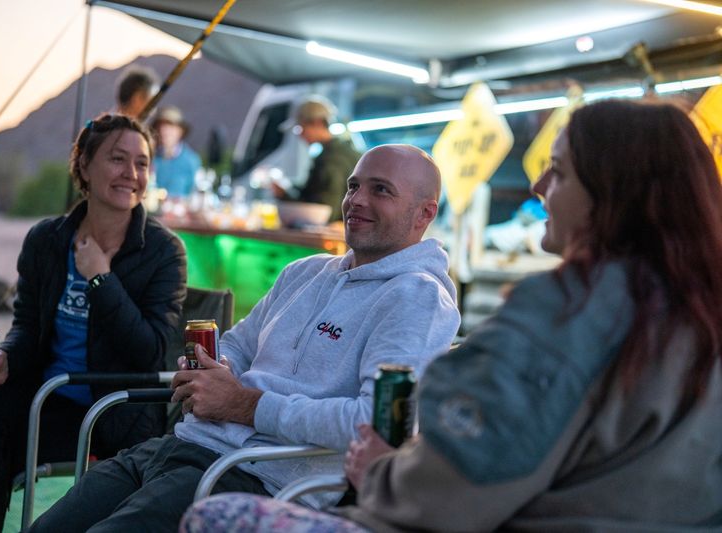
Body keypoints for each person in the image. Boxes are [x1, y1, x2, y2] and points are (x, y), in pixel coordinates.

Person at [185, 98, 722, 532]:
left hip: (285, 480)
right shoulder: (697, 316)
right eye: (354, 185)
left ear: (614, 197)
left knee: (215, 516)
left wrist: (383, 474)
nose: (536, 189)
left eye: (556, 172)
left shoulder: (561, 315)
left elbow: (454, 488)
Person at [28, 144, 461, 532]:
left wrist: (244, 404)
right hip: (183, 444)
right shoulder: (306, 272)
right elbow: (237, 344)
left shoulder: (417, 298)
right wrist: (214, 373)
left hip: (255, 476)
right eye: (353, 185)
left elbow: (373, 426)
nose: (356, 200)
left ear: (424, 213)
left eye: (381, 190)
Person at [0, 114, 187, 533]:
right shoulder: (48, 239)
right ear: (83, 165)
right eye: (118, 159)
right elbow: (27, 323)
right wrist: (7, 358)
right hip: (46, 392)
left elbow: (150, 349)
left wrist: (101, 278)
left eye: (141, 163)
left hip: (110, 412)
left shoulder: (163, 251)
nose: (131, 174)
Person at [273, 95, 361, 223]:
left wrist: (284, 196)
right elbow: (315, 192)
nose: (300, 135)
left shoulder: (333, 158)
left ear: (317, 122)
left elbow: (325, 211)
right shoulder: (340, 151)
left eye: (300, 128)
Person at [152, 105, 202, 198]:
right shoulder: (149, 156)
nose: (164, 132)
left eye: (170, 127)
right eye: (161, 127)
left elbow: (195, 193)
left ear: (180, 131)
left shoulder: (191, 161)